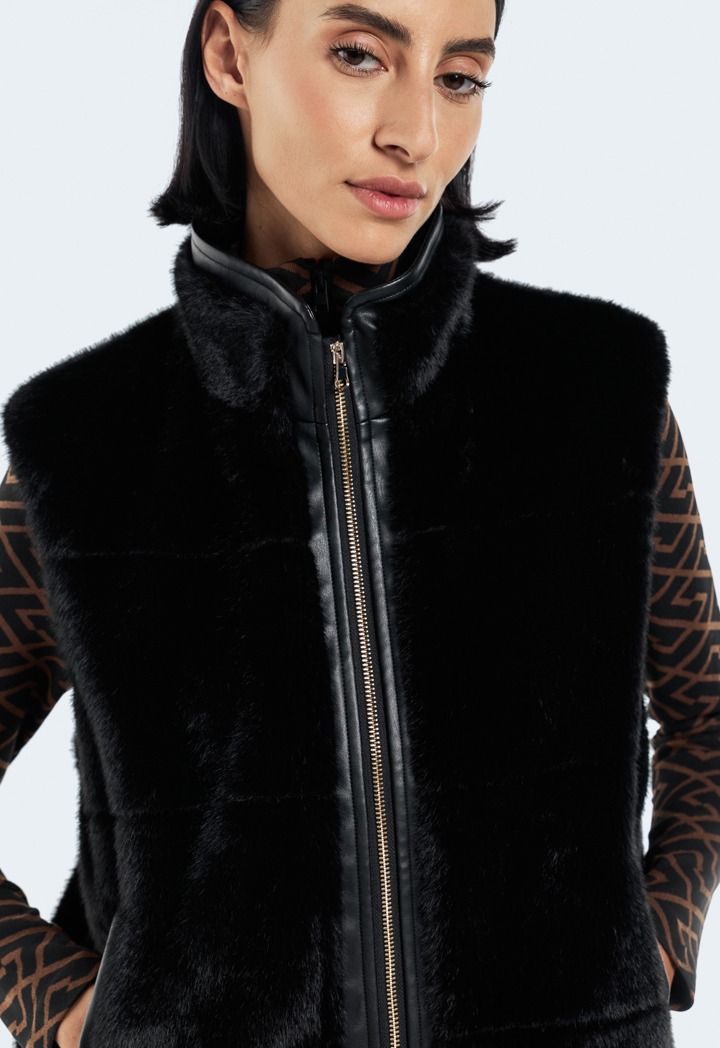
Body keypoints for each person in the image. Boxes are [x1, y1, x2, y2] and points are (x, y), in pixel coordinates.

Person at [0, 2, 717, 1047]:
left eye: (458, 77)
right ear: (228, 54)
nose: (415, 133)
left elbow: (705, 711)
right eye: (358, 55)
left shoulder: (599, 391)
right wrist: (60, 1007)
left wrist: (652, 943)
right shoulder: (83, 444)